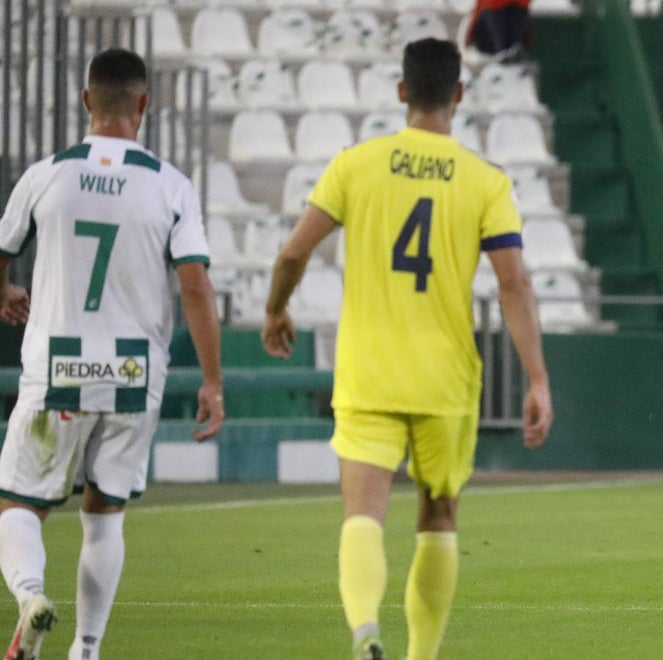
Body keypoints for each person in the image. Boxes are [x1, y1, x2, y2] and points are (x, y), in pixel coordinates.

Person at [261, 38, 553, 660]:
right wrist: (537, 379)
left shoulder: (355, 164)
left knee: (362, 513)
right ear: (459, 95)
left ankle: (365, 630)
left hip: (368, 369)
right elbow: (514, 282)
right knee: (438, 515)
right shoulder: (485, 181)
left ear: (400, 92)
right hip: (444, 378)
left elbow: (292, 252)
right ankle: (421, 656)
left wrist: (276, 308)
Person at [0, 48, 224, 660]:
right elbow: (196, 283)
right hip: (132, 371)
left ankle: (29, 596)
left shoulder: (48, 173)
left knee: (19, 504)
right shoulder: (170, 184)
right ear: (144, 105)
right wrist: (212, 380)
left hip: (57, 368)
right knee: (105, 515)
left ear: (85, 103)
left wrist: (6, 290)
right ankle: (88, 647)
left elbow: (3, 245)